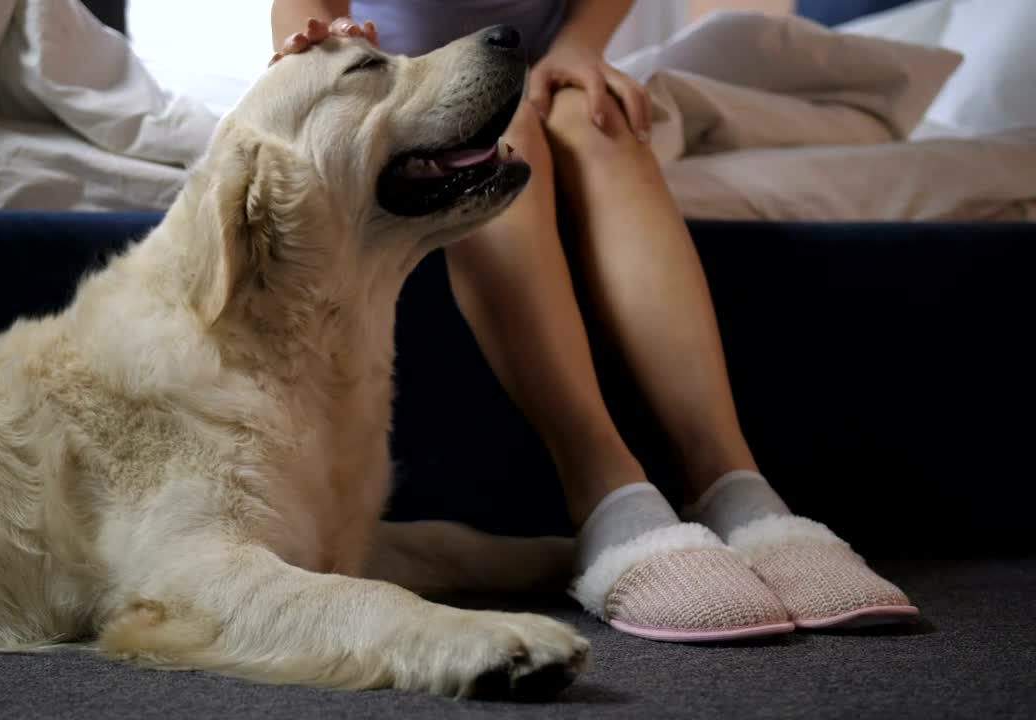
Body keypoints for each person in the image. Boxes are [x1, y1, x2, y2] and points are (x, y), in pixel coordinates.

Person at [269, 0, 917, 641]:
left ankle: (730, 482)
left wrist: (580, 46)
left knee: (601, 119)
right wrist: (325, 53)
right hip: (411, 81)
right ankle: (604, 488)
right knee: (502, 133)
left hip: (547, 66)